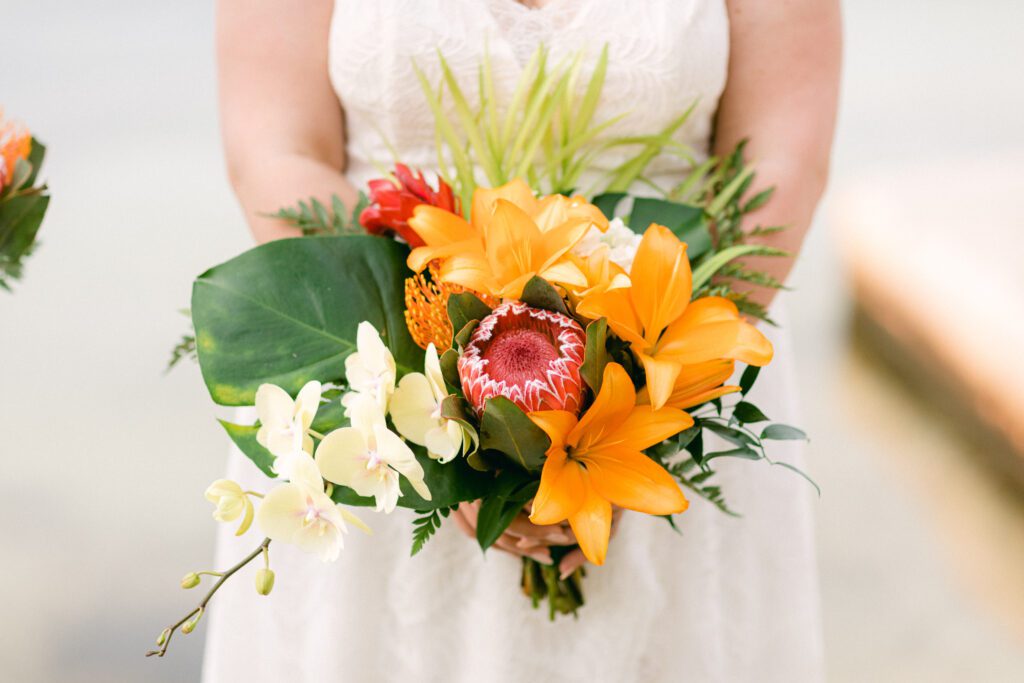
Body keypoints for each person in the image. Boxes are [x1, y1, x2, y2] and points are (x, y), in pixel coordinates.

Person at [203, 1, 840, 681]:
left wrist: (629, 410)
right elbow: (277, 154)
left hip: (666, 388)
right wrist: (443, 427)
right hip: (387, 410)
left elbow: (779, 165)